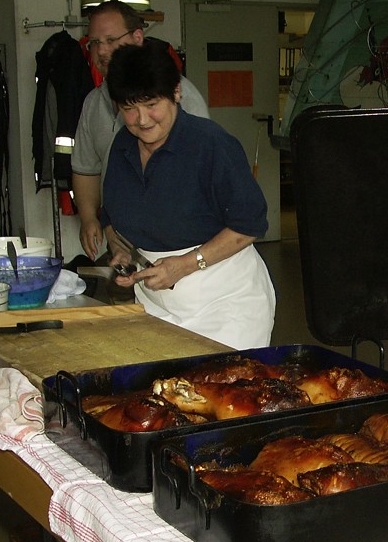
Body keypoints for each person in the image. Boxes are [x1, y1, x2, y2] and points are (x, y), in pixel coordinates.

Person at [100, 42, 275, 348]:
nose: (142, 119)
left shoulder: (211, 145)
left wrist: (183, 265)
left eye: (151, 104)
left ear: (176, 92)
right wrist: (123, 251)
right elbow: (112, 216)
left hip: (227, 304)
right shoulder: (122, 146)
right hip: (156, 305)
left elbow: (249, 226)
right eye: (129, 109)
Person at [70, 0, 210, 261]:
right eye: (95, 42)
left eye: (111, 40)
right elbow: (86, 168)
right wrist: (90, 219)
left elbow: (196, 178)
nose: (102, 50)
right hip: (124, 245)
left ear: (137, 38)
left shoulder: (177, 95)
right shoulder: (93, 102)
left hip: (178, 247)